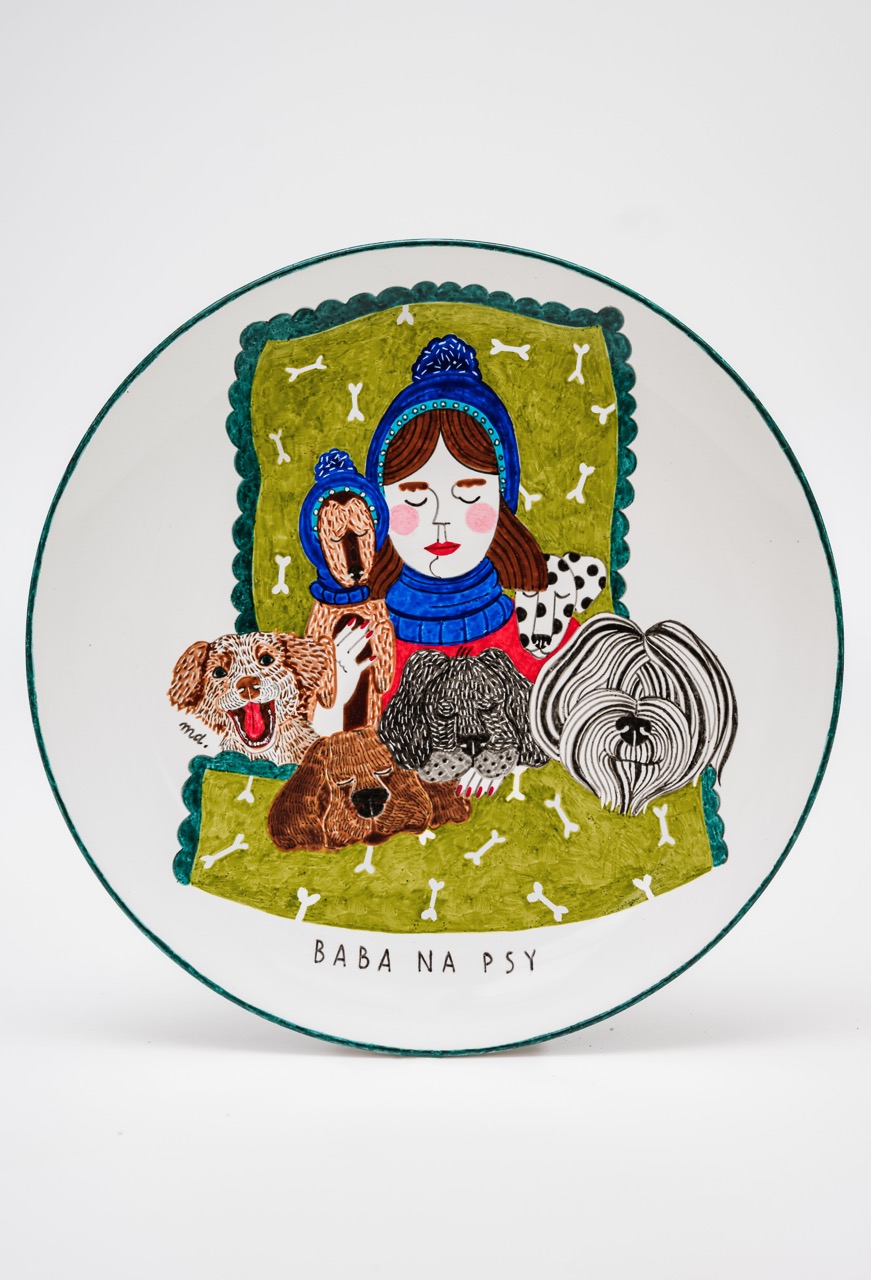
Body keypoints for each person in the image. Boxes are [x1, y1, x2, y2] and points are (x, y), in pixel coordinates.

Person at [364, 334, 579, 700]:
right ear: (381, 509)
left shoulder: (548, 636)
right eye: (415, 497)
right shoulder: (355, 646)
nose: (441, 519)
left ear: (501, 503)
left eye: (468, 494)